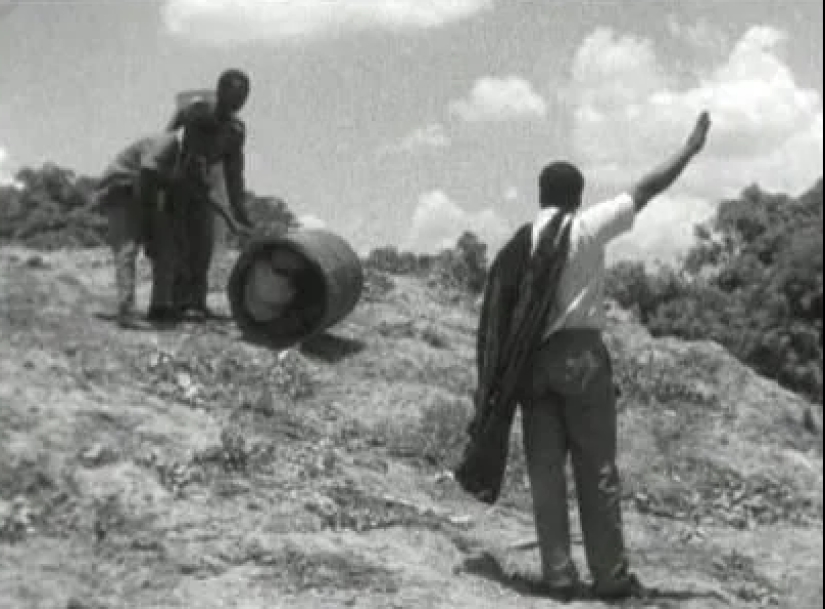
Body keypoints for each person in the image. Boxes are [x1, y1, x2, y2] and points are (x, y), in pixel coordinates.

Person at [456, 112, 712, 601]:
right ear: (576, 196)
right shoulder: (587, 227)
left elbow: (499, 317)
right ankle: (611, 578)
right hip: (581, 362)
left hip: (531, 369)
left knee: (545, 472)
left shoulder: (520, 243)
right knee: (596, 470)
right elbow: (646, 189)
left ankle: (558, 577)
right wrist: (688, 149)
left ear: (540, 196)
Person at [166, 69, 254, 319]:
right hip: (180, 183)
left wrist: (240, 211)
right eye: (234, 94)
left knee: (203, 246)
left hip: (203, 189)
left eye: (244, 96)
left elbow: (234, 173)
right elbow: (181, 145)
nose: (239, 101)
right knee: (182, 243)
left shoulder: (236, 130)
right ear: (220, 92)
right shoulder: (199, 114)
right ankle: (178, 303)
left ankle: (197, 301)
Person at [95, 132, 184, 329]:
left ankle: (160, 307)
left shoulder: (187, 159)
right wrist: (149, 216)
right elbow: (147, 171)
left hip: (144, 193)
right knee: (128, 248)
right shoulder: (169, 141)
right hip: (122, 189)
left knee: (165, 248)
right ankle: (126, 311)